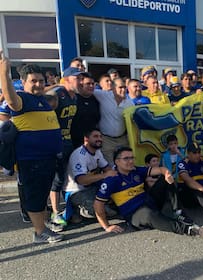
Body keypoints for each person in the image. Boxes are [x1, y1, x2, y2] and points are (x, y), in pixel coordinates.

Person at [0, 51, 63, 243]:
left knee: (42, 194)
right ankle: (39, 232)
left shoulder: (42, 100)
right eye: (33, 81)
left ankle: (42, 226)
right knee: (35, 196)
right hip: (32, 159)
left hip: (47, 158)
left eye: (41, 80)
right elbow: (10, 100)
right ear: (23, 82)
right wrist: (3, 73)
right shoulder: (22, 99)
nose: (38, 84)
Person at [94, 147, 203, 237]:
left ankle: (178, 213)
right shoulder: (111, 180)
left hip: (150, 202)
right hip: (135, 214)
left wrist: (167, 174)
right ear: (117, 162)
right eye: (126, 159)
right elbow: (98, 204)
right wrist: (106, 226)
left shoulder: (136, 170)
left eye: (132, 158)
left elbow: (160, 169)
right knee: (148, 214)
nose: (130, 161)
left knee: (167, 180)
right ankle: (189, 230)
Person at [49, 66, 81, 228]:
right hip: (56, 142)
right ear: (67, 79)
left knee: (69, 178)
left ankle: (69, 210)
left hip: (68, 141)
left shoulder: (74, 96)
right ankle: (55, 213)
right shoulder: (57, 94)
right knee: (57, 179)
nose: (80, 81)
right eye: (77, 78)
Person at [63, 129, 117, 222]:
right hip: (76, 191)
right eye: (95, 136)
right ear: (86, 139)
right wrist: (104, 175)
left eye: (100, 137)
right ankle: (77, 210)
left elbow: (107, 169)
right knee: (105, 211)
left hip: (92, 187)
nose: (99, 139)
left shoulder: (97, 151)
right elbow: (81, 180)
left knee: (117, 203)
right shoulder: (79, 155)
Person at [94, 78, 133, 164]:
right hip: (106, 140)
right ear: (113, 88)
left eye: (124, 87)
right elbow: (85, 89)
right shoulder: (103, 95)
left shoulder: (130, 103)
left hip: (123, 139)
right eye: (120, 87)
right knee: (110, 166)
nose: (123, 90)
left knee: (124, 164)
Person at [70, 72, 101, 148]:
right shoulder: (73, 99)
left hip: (92, 142)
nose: (91, 86)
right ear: (80, 84)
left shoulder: (96, 100)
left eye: (93, 84)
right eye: (88, 84)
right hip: (75, 142)